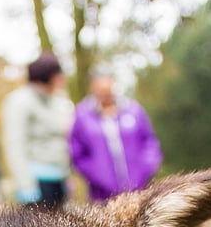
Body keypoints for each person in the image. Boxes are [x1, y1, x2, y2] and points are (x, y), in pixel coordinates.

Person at [69, 67, 163, 201]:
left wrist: (147, 167)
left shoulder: (133, 110)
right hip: (102, 196)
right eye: (100, 90)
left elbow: (149, 142)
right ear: (92, 88)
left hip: (139, 190)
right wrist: (97, 175)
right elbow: (77, 153)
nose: (105, 94)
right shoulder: (83, 116)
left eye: (107, 89)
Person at [1, 52, 73, 206]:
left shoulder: (59, 101)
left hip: (60, 179)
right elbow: (15, 145)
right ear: (50, 77)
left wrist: (67, 177)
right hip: (36, 182)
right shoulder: (19, 101)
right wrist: (26, 185)